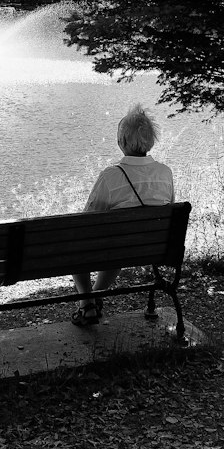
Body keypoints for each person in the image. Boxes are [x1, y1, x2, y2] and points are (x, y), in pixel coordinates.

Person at [72, 103, 174, 327]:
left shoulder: (111, 176)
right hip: (151, 249)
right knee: (121, 245)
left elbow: (87, 221)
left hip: (118, 248)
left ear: (123, 142)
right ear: (150, 141)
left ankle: (87, 303)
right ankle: (95, 297)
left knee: (75, 242)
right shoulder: (165, 173)